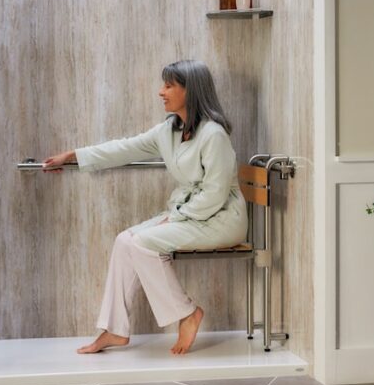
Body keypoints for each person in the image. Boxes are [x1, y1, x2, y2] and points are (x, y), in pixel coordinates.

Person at [42, 60, 247, 355]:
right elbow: (124, 148)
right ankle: (114, 329)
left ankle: (187, 314)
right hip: (192, 215)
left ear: (191, 91)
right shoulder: (170, 130)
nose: (160, 92)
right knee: (126, 240)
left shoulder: (213, 135)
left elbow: (215, 194)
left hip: (222, 218)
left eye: (168, 86)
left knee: (143, 243)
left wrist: (176, 218)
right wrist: (72, 156)